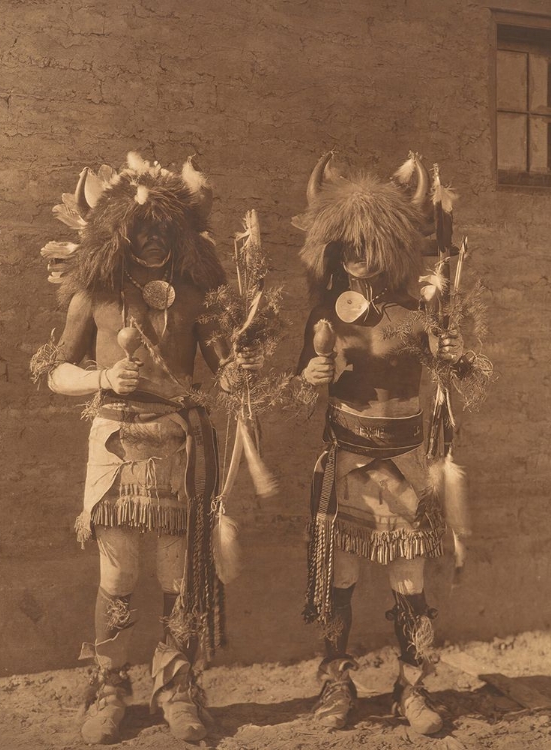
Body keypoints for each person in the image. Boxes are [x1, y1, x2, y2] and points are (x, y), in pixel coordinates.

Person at [31, 152, 261, 745]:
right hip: (114, 440)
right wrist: (105, 379)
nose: (153, 238)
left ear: (179, 232)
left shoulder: (192, 296)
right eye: (142, 228)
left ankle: (177, 685)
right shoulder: (95, 294)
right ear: (119, 231)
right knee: (119, 566)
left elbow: (224, 361)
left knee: (176, 570)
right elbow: (57, 372)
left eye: (164, 228)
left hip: (177, 442)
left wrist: (237, 369)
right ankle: (109, 686)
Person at [294, 152, 464, 735]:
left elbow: (459, 370)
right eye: (351, 245)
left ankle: (411, 689)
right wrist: (310, 377)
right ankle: (335, 685)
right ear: (338, 248)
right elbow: (300, 384)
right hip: (345, 463)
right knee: (338, 578)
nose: (361, 256)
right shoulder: (326, 313)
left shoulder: (417, 314)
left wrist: (455, 356)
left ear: (392, 246)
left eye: (373, 244)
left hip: (406, 465)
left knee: (409, 582)